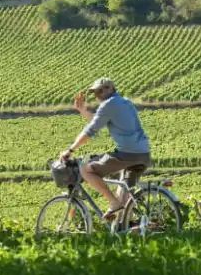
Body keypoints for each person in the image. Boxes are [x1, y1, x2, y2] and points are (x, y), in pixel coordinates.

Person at [59, 77, 151, 220]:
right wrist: (83, 110)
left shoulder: (108, 104)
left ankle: (113, 203)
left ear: (111, 88)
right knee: (124, 198)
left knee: (85, 169)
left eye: (102, 90)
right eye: (96, 92)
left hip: (127, 154)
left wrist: (70, 150)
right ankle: (131, 228)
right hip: (143, 154)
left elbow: (90, 131)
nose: (99, 94)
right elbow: (99, 120)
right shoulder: (124, 102)